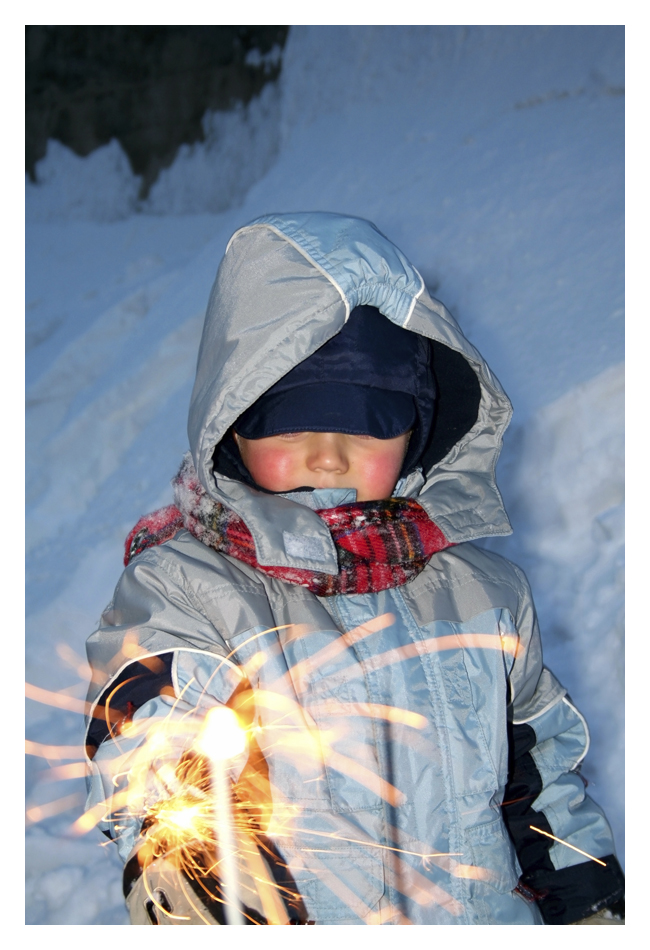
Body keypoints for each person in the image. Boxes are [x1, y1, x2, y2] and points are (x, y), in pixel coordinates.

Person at [84, 212, 624, 925]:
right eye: (292, 421)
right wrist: (196, 862)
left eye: (368, 422)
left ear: (416, 432)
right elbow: (151, 743)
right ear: (232, 426)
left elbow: (540, 778)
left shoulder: (484, 594)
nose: (329, 455)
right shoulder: (188, 590)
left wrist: (591, 909)